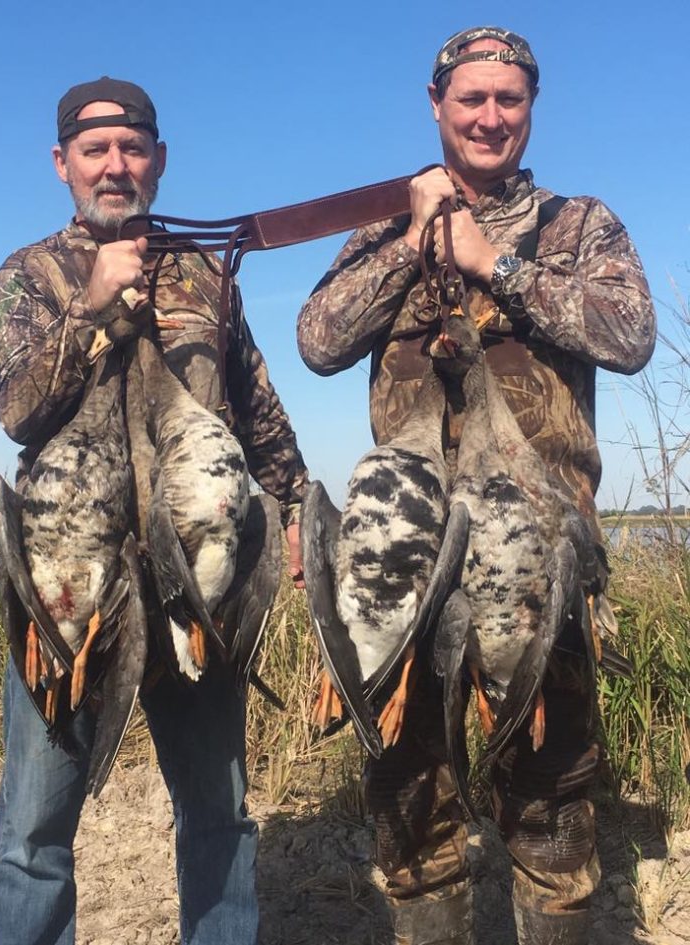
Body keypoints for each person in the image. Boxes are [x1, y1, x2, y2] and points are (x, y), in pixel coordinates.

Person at [296, 26, 655, 945]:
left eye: (510, 99)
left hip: (542, 558)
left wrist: (494, 263)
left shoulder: (580, 225)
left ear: (531, 108)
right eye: (472, 98)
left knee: (551, 808)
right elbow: (319, 340)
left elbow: (628, 334)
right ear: (436, 103)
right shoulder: (387, 227)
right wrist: (418, 236)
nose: (491, 117)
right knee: (412, 808)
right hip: (403, 559)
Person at [0, 76, 308, 945]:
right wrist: (91, 303)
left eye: (133, 149)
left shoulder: (204, 273)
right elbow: (17, 410)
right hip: (70, 594)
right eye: (96, 150)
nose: (115, 166)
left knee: (219, 812)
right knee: (32, 831)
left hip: (195, 587)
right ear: (63, 164)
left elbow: (255, 402)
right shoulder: (30, 274)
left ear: (159, 161)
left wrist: (298, 503)